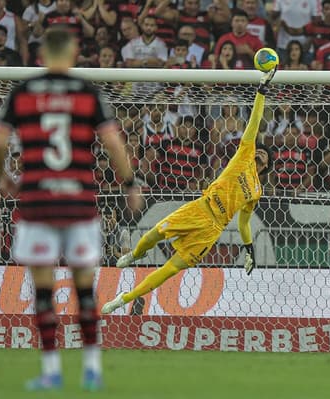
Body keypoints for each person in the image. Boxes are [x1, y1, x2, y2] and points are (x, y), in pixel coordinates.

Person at [0, 27, 141, 391]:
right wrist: (129, 183)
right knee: (85, 290)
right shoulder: (87, 93)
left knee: (42, 292)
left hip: (38, 204)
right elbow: (113, 143)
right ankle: (91, 369)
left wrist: (3, 175)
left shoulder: (22, 92)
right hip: (78, 203)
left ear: (41, 54)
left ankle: (51, 371)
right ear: (73, 51)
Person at [100, 67, 277, 315]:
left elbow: (245, 223)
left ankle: (123, 298)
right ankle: (136, 254)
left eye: (265, 156)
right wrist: (262, 91)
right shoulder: (244, 156)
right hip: (200, 208)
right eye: (260, 150)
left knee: (171, 269)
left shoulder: (257, 191)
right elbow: (255, 123)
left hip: (212, 229)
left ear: (267, 165)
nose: (261, 153)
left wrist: (249, 250)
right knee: (154, 236)